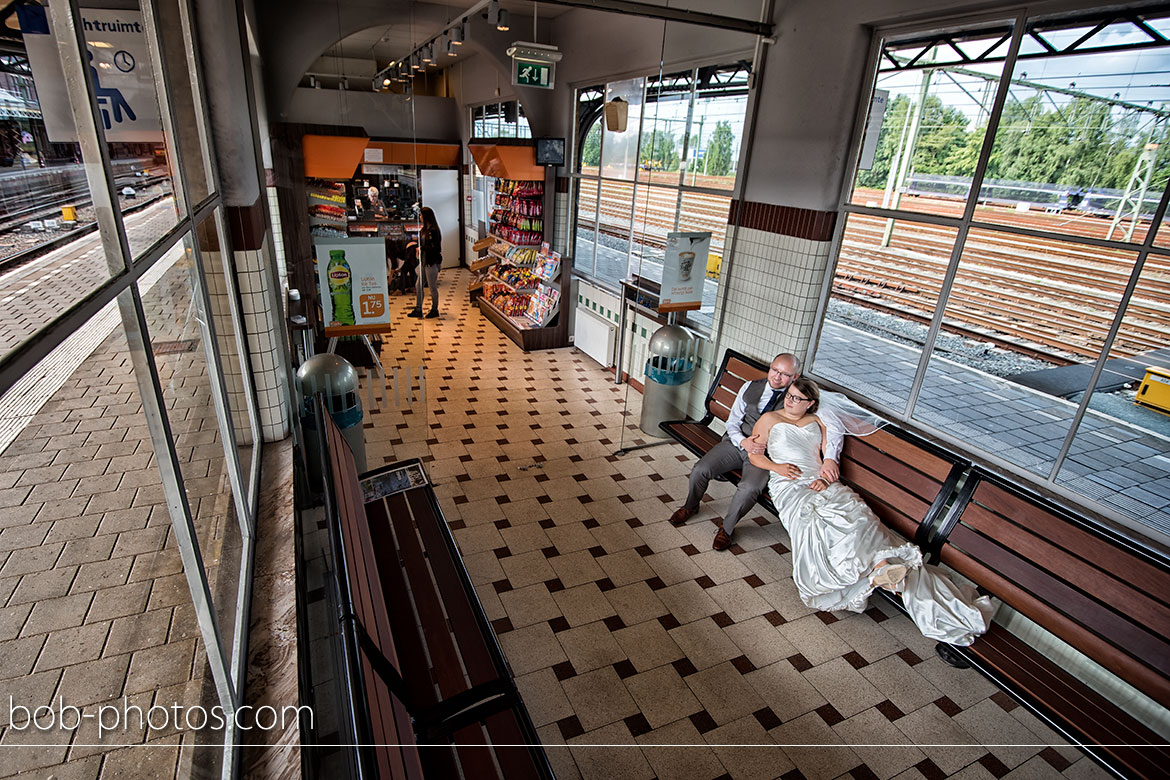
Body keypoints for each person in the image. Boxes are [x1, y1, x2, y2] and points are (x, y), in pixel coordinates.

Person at [747, 377, 994, 646]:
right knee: (816, 522)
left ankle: (881, 567)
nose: (791, 401)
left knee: (855, 512)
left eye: (797, 398)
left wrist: (826, 477)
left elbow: (830, 456)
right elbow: (754, 454)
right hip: (788, 483)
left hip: (818, 479)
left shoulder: (820, 421)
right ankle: (879, 570)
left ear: (811, 404)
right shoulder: (769, 419)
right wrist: (777, 468)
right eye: (789, 396)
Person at [669, 353, 844, 551]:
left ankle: (726, 529)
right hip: (738, 443)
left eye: (785, 374)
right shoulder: (750, 386)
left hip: (766, 456)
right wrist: (743, 441)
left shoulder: (799, 397)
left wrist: (830, 458)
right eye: (774, 370)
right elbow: (733, 421)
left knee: (750, 488)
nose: (777, 377)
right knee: (701, 469)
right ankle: (691, 505)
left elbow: (833, 427)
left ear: (795, 377)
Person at [408, 206, 442, 319]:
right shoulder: (424, 229)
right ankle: (418, 308)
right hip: (424, 261)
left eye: (421, 215)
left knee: (432, 287)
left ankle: (435, 309)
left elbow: (435, 248)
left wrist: (422, 248)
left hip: (431, 262)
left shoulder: (433, 230)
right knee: (418, 285)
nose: (420, 217)